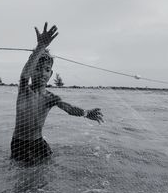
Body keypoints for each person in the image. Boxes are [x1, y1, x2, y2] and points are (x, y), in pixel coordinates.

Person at [11, 22, 104, 165]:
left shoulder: (50, 98)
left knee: (48, 172)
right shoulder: (25, 91)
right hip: (21, 144)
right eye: (38, 68)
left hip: (39, 142)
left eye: (47, 70)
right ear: (32, 70)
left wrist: (86, 113)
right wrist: (41, 46)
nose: (42, 73)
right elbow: (24, 75)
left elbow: (69, 108)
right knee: (27, 180)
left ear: (51, 73)